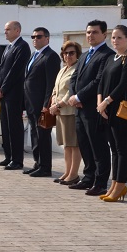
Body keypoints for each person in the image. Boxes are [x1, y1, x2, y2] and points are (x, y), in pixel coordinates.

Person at [94, 25, 127, 203]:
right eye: (113, 37)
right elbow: (101, 82)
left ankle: (120, 184)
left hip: (119, 110)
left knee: (122, 149)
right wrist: (100, 103)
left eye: (119, 37)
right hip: (105, 110)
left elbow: (124, 84)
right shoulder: (111, 58)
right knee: (114, 149)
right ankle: (114, 184)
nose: (115, 41)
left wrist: (107, 101)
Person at [68, 20, 113, 195]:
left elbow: (98, 81)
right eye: (88, 32)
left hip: (94, 109)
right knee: (84, 144)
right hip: (79, 108)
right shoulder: (85, 55)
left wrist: (79, 96)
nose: (90, 35)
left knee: (98, 146)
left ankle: (100, 182)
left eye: (94, 32)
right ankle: (88, 177)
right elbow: (74, 78)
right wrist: (74, 97)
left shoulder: (106, 55)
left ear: (104, 34)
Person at [23, 27, 60, 177]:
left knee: (43, 136)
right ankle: (38, 162)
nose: (35, 39)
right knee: (34, 135)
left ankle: (45, 167)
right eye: (33, 36)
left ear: (47, 38)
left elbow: (50, 83)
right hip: (30, 103)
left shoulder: (51, 56)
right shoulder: (34, 55)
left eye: (39, 36)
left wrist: (46, 104)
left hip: (41, 104)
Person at [0, 21, 30, 170]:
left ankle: (17, 160)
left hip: (14, 94)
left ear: (17, 30)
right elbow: (1, 69)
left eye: (8, 29)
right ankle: (8, 156)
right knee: (5, 126)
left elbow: (15, 71)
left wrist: (3, 88)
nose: (5, 32)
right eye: (5, 30)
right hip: (3, 93)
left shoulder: (22, 47)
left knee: (14, 127)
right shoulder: (9, 47)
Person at [48, 40, 83, 185]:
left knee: (74, 144)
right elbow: (56, 88)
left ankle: (74, 174)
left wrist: (59, 104)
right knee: (66, 145)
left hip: (69, 110)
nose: (68, 56)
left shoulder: (77, 69)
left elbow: (71, 91)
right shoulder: (63, 69)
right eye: (65, 53)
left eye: (71, 53)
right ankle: (67, 171)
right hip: (60, 112)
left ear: (77, 54)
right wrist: (53, 102)